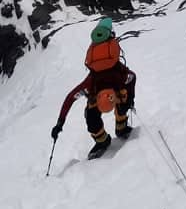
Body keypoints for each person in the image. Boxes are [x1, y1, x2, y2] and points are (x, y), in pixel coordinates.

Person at [51, 17, 137, 158]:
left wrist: (59, 124)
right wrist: (131, 98)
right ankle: (121, 128)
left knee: (91, 117)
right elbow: (132, 77)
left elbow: (70, 98)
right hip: (118, 92)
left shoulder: (90, 85)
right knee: (123, 99)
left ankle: (102, 141)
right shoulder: (119, 75)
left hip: (102, 93)